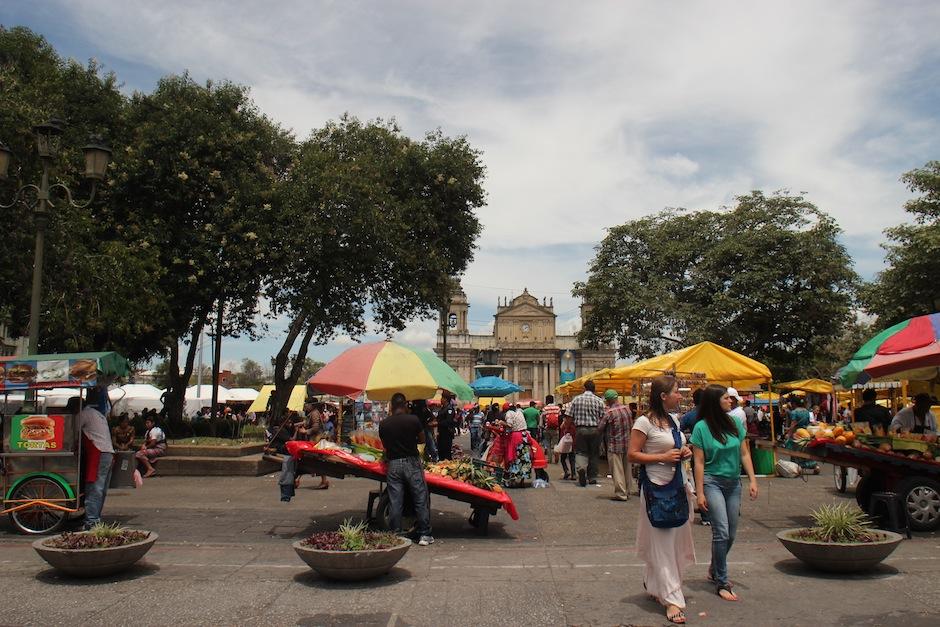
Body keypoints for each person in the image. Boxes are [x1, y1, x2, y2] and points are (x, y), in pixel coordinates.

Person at [628, 375, 694, 625]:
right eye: (677, 391)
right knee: (663, 542)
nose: (680, 395)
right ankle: (672, 598)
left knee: (673, 541)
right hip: (657, 490)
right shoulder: (644, 422)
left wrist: (684, 451)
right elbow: (632, 455)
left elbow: (677, 447)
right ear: (663, 396)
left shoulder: (674, 420)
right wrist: (662, 458)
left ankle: (655, 584)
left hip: (678, 485)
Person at [691, 384, 759, 602]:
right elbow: (698, 462)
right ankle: (722, 581)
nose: (731, 401)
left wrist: (752, 479)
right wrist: (699, 492)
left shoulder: (734, 423)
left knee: (731, 534)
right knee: (721, 531)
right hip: (712, 482)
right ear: (715, 401)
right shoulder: (701, 428)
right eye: (726, 398)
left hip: (733, 483)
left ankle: (714, 567)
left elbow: (744, 453)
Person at [378, 392, 433, 546]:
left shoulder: (384, 424)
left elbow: (385, 445)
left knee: (395, 501)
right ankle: (424, 534)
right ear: (405, 405)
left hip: (394, 464)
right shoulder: (413, 420)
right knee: (420, 498)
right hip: (412, 462)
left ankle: (396, 535)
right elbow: (422, 439)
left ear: (392, 406)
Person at [69, 390, 115, 530]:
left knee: (94, 487)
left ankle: (91, 522)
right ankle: (94, 517)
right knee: (100, 489)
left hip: (99, 452)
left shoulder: (83, 414)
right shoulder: (97, 413)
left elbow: (72, 433)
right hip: (108, 452)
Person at [569, 380, 606, 487]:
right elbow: (603, 417)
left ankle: (581, 468)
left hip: (580, 429)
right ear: (594, 389)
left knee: (581, 451)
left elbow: (569, 416)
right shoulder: (599, 401)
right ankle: (592, 477)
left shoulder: (576, 399)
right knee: (594, 453)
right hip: (595, 430)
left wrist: (568, 426)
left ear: (584, 388)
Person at [598, 389, 633, 501]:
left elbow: (600, 428)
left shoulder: (609, 413)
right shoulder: (627, 409)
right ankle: (628, 491)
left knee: (617, 471)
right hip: (628, 443)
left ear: (608, 400)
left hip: (614, 445)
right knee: (627, 469)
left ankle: (621, 493)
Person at [436, 392, 458, 461]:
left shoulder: (449, 409)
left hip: (446, 434)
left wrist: (437, 423)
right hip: (441, 433)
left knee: (446, 453)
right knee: (440, 452)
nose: (440, 399)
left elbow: (448, 421)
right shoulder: (442, 408)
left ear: (445, 399)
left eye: (442, 398)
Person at [540, 395, 562, 463]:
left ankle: (549, 459)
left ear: (547, 401)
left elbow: (543, 418)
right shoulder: (557, 408)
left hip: (547, 428)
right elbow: (560, 418)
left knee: (548, 444)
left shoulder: (545, 408)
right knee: (555, 443)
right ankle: (556, 452)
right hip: (555, 428)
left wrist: (542, 425)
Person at [558, 411, 577, 480]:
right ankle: (573, 474)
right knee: (572, 459)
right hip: (572, 444)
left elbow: (561, 435)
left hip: (565, 445)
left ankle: (566, 471)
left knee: (563, 459)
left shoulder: (564, 425)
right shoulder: (574, 425)